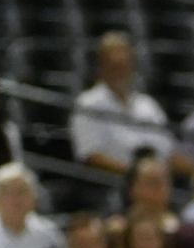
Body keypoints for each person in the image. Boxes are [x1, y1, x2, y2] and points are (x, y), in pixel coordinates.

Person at [70, 32, 182, 178]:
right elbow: (90, 156)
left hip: (156, 181)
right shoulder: (87, 104)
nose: (120, 71)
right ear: (101, 65)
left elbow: (169, 152)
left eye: (124, 63)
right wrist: (135, 175)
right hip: (115, 185)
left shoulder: (148, 104)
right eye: (114, 65)